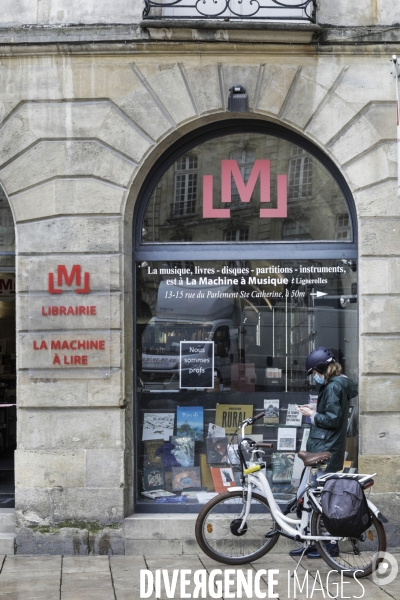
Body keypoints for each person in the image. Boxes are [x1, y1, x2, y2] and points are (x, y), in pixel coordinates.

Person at [289, 347, 358, 559]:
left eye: (315, 373)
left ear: (322, 369)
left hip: (325, 450)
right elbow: (331, 412)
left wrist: (312, 413)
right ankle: (312, 542)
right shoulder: (334, 385)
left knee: (322, 500)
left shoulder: (334, 387)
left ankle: (330, 545)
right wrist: (315, 408)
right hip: (324, 447)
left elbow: (332, 419)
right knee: (309, 498)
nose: (315, 377)